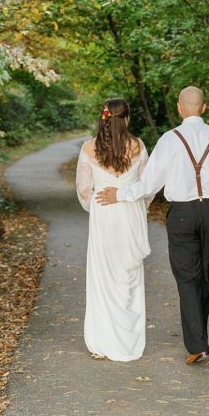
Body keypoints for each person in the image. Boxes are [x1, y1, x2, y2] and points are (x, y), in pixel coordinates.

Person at [97, 86, 209, 365]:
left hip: (182, 214)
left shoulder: (169, 139)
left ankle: (197, 344)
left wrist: (121, 194)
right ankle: (200, 340)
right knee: (206, 274)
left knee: (187, 276)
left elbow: (150, 183)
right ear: (203, 108)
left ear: (179, 108)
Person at [74, 98, 153, 361]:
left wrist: (93, 206)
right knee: (128, 276)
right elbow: (148, 186)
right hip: (130, 214)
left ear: (104, 119)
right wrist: (139, 206)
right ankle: (128, 340)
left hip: (104, 215)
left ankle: (103, 341)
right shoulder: (138, 146)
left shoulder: (88, 148)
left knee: (103, 276)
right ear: (127, 119)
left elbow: (84, 190)